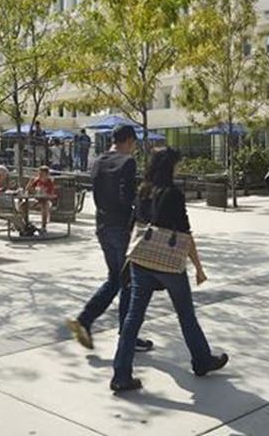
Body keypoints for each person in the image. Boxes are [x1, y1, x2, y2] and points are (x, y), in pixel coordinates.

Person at [111, 147, 228, 392]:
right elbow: (185, 235)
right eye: (177, 164)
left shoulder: (143, 190)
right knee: (185, 313)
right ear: (170, 167)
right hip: (167, 263)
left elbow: (136, 224)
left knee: (133, 318)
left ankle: (121, 374)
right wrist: (198, 267)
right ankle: (202, 359)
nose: (179, 168)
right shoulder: (173, 194)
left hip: (141, 260)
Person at [66, 124, 150, 353]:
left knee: (116, 279)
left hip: (102, 226)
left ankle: (84, 320)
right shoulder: (127, 162)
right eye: (134, 144)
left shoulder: (97, 162)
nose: (134, 149)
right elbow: (127, 197)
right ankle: (127, 337)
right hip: (121, 228)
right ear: (129, 140)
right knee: (129, 283)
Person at [23, 165, 58, 234]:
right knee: (23, 205)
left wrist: (45, 193)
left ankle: (43, 227)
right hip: (36, 200)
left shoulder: (50, 182)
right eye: (39, 174)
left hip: (47, 201)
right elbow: (27, 190)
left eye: (43, 174)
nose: (40, 176)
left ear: (47, 175)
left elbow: (52, 195)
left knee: (44, 206)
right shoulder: (37, 180)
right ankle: (25, 224)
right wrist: (30, 184)